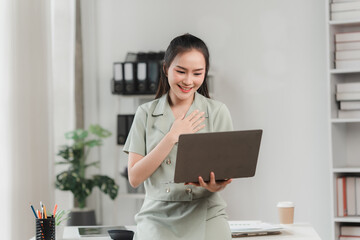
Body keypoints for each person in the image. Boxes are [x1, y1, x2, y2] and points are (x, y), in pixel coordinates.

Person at [123, 33, 234, 240]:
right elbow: (135, 178)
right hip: (157, 215)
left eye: (197, 73)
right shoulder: (145, 113)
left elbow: (223, 174)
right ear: (165, 68)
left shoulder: (218, 111)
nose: (188, 81)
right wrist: (172, 136)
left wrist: (215, 185)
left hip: (206, 211)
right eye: (181, 71)